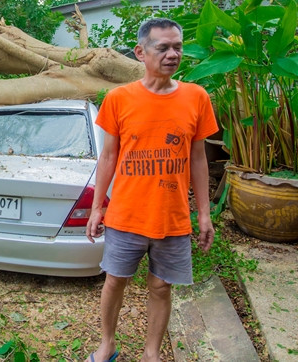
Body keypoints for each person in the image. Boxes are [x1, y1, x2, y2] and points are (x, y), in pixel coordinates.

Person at [85, 18, 217, 362]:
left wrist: (203, 214)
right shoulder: (118, 99)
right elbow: (108, 157)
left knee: (161, 286)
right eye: (163, 47)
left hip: (171, 216)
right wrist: (97, 207)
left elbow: (198, 160)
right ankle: (107, 345)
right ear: (141, 52)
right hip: (126, 214)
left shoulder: (196, 97)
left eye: (178, 47)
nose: (173, 54)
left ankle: (151, 353)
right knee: (115, 281)